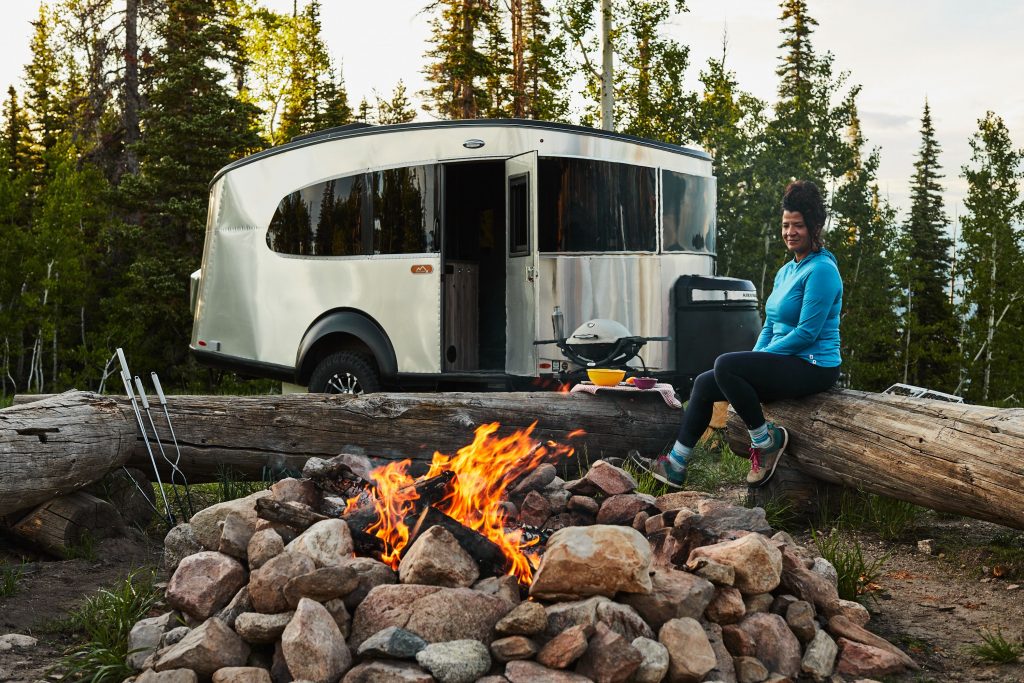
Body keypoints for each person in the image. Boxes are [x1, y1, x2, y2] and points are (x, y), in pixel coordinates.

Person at [639, 180, 843, 489]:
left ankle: (765, 441)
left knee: (725, 365)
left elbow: (806, 334)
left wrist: (755, 360)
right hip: (788, 361)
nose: (789, 232)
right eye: (785, 225)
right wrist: (753, 359)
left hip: (815, 366)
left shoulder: (823, 271)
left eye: (798, 225)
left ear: (814, 226)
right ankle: (677, 464)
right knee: (707, 381)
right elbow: (772, 325)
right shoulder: (787, 271)